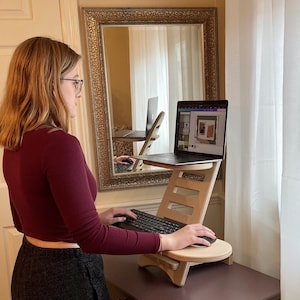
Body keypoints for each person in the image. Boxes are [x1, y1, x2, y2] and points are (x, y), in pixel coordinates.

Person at [0, 37, 216, 300]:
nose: (79, 91)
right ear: (49, 84)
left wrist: (93, 218)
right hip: (66, 277)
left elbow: (25, 222)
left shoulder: (15, 142)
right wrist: (168, 241)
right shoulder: (60, 144)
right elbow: (91, 239)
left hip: (29, 270)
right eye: (75, 81)